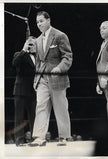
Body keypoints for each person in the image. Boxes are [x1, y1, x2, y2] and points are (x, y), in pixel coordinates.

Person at [29, 11, 73, 146]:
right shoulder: (37, 40)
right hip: (42, 78)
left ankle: (64, 137)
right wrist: (36, 79)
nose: (39, 24)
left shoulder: (60, 35)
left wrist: (59, 68)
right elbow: (38, 62)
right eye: (37, 22)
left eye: (41, 21)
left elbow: (68, 56)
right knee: (41, 106)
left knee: (60, 107)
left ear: (48, 20)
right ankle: (39, 137)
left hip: (57, 77)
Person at [12, 36, 37, 146]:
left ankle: (35, 139)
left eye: (33, 44)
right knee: (19, 116)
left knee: (34, 116)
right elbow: (15, 63)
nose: (31, 46)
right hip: (20, 90)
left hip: (33, 90)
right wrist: (24, 49)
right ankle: (19, 140)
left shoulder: (39, 57)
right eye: (29, 44)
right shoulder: (19, 54)